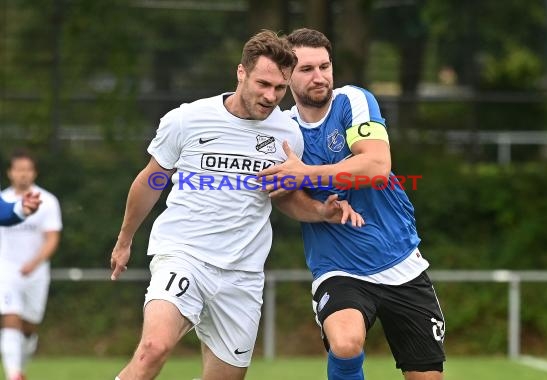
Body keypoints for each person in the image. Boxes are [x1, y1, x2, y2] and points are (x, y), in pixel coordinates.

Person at [109, 30, 362, 380]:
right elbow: (152, 180)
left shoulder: (288, 136)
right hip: (185, 254)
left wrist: (320, 212)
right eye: (263, 84)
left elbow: (284, 197)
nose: (270, 96)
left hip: (242, 273)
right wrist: (125, 239)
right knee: (154, 347)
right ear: (241, 72)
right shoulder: (187, 119)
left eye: (280, 88)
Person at [258, 28, 446, 380]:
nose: (320, 77)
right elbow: (282, 195)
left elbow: (376, 167)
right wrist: (320, 211)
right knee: (346, 343)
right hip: (338, 267)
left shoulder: (352, 102)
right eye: (306, 69)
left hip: (400, 260)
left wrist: (306, 174)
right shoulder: (280, 129)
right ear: (286, 75)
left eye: (325, 67)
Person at [0, 149, 62, 380]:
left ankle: (20, 368)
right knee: (10, 317)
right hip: (6, 271)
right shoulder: (3, 198)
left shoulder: (47, 201)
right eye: (18, 170)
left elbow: (52, 237)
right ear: (10, 173)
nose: (23, 175)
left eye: (27, 170)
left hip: (36, 273)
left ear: (34, 173)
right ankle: (13, 374)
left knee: (28, 327)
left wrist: (34, 263)